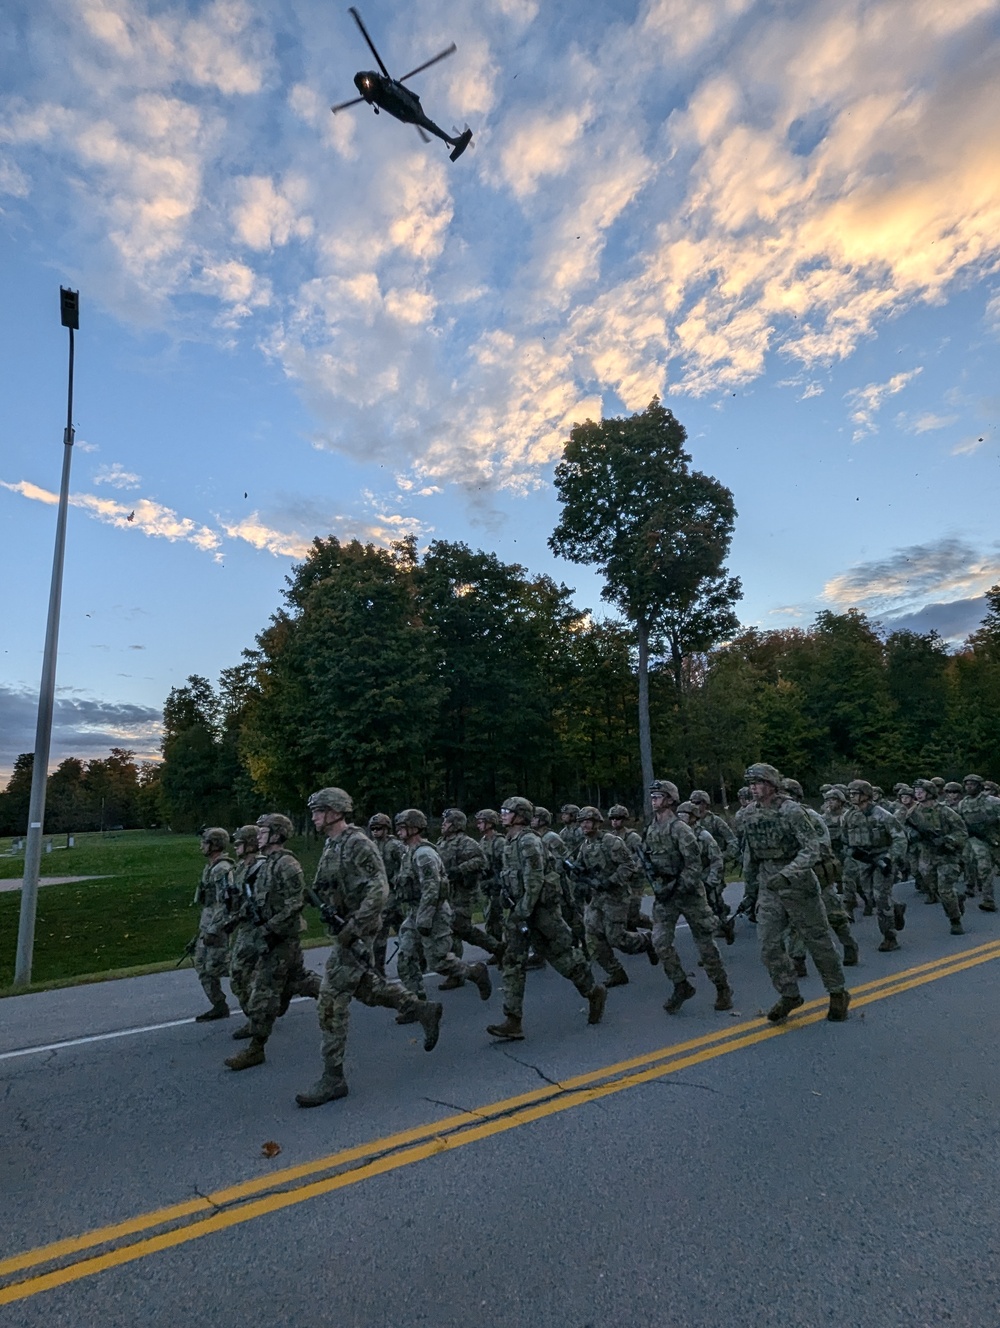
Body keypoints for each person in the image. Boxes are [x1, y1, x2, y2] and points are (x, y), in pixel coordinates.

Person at [295, 788, 445, 1107]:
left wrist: (356, 926)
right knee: (367, 988)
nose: (314, 815)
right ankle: (420, 1008)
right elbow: (328, 881)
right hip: (344, 926)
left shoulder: (358, 842)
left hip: (358, 929)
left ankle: (333, 1078)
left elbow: (380, 888)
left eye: (318, 810)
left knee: (330, 1000)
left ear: (335, 811)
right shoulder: (332, 843)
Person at [487, 796, 606, 1041]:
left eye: (507, 811)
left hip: (540, 911)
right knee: (512, 961)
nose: (502, 815)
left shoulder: (529, 841)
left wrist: (522, 912)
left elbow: (534, 880)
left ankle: (593, 992)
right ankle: (513, 1020)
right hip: (521, 910)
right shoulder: (510, 841)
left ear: (520, 815)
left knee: (561, 956)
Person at [741, 763, 849, 1023]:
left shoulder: (792, 811)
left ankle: (837, 992)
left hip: (798, 884)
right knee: (768, 945)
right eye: (751, 783)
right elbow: (751, 855)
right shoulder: (748, 814)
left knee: (817, 940)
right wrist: (750, 891)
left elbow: (812, 848)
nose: (753, 788)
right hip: (769, 885)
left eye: (758, 782)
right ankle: (789, 993)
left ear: (771, 784)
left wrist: (789, 873)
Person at [224, 813, 307, 1071]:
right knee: (300, 981)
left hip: (282, 937)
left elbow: (297, 901)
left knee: (263, 992)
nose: (258, 836)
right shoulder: (267, 864)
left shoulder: (286, 864)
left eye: (263, 832)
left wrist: (271, 927)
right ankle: (342, 991)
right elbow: (256, 902)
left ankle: (256, 1049)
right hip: (270, 935)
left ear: (276, 834)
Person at [644, 781, 733, 1013]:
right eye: (652, 796)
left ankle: (722, 988)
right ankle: (680, 984)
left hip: (689, 894)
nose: (654, 800)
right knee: (660, 943)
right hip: (666, 896)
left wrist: (680, 886)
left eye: (659, 796)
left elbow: (693, 864)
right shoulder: (651, 829)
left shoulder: (680, 829)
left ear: (670, 799)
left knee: (705, 945)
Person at [394, 809, 492, 1005]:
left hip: (433, 913)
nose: (398, 831)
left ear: (413, 828)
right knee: (406, 958)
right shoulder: (409, 852)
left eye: (402, 827)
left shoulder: (424, 854)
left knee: (438, 961)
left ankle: (474, 972)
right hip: (416, 912)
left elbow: (432, 889)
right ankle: (417, 1004)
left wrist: (425, 919)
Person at [572, 805, 656, 986]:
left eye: (587, 822)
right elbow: (581, 867)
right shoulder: (585, 845)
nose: (584, 826)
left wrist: (610, 881)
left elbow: (628, 865)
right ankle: (615, 971)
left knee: (616, 938)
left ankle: (647, 940)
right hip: (597, 897)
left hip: (616, 896)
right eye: (582, 823)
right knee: (592, 936)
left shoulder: (611, 841)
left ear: (596, 823)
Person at [781, 778, 858, 967]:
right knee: (795, 919)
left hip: (818, 873)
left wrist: (801, 858)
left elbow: (822, 844)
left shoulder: (811, 816)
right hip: (792, 876)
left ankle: (848, 944)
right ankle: (798, 958)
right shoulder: (777, 818)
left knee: (834, 914)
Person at [841, 779, 906, 952]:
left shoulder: (882, 815)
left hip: (882, 858)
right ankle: (896, 907)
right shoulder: (849, 816)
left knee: (880, 897)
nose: (852, 797)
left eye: (855, 793)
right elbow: (845, 839)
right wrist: (851, 852)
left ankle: (890, 937)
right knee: (869, 897)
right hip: (864, 861)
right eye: (851, 794)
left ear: (866, 795)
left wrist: (890, 858)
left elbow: (899, 838)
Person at [437, 808, 502, 980]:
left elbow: (481, 860)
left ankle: (457, 972)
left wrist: (459, 870)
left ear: (456, 824)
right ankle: (497, 948)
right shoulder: (442, 843)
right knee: (458, 930)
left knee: (458, 928)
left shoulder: (466, 842)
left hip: (464, 893)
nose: (443, 824)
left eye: (447, 821)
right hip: (448, 894)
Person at [902, 779, 969, 935]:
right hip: (927, 855)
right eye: (916, 792)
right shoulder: (913, 812)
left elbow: (962, 832)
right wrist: (913, 835)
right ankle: (956, 899)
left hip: (947, 855)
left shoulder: (945, 811)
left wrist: (947, 840)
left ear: (930, 793)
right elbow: (904, 829)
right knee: (933, 887)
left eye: (921, 791)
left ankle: (955, 920)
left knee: (945, 889)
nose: (918, 794)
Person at [192, 827, 235, 1022]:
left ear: (215, 845)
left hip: (217, 928)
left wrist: (214, 930)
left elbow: (224, 904)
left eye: (205, 842)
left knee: (221, 966)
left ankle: (260, 986)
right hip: (207, 925)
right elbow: (208, 904)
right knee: (202, 965)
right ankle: (219, 1005)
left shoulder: (222, 869)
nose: (201, 845)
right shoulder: (209, 868)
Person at [676, 800, 732, 944]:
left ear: (693, 817)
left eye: (685, 815)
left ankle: (717, 933)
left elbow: (717, 859)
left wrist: (712, 881)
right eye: (679, 815)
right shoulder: (678, 835)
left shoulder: (703, 836)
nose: (681, 818)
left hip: (705, 876)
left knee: (710, 909)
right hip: (689, 879)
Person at [368, 812, 406, 977]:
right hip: (381, 892)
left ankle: (379, 967)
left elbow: (406, 864)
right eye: (373, 829)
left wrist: (398, 880)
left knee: (384, 927)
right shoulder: (371, 846)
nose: (375, 831)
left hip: (395, 892)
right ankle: (379, 967)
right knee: (402, 928)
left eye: (379, 828)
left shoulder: (394, 846)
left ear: (386, 829)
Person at [959, 774, 1000, 912]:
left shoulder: (993, 801)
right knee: (984, 868)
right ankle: (988, 900)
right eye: (967, 784)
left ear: (980, 786)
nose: (969, 786)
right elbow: (959, 823)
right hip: (977, 840)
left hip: (995, 837)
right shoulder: (963, 804)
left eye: (973, 784)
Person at [608, 804, 651, 930]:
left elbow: (642, 858)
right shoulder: (609, 838)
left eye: (618, 818)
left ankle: (652, 928)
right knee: (623, 915)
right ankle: (636, 939)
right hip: (620, 882)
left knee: (632, 914)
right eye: (612, 818)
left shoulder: (633, 838)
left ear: (624, 819)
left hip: (634, 881)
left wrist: (634, 870)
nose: (614, 821)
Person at [476, 808, 507, 954]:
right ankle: (497, 947)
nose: (478, 825)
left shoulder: (499, 841)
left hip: (497, 885)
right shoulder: (482, 841)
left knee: (496, 918)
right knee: (490, 918)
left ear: (490, 823)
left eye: (481, 822)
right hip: (487, 885)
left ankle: (500, 948)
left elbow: (505, 865)